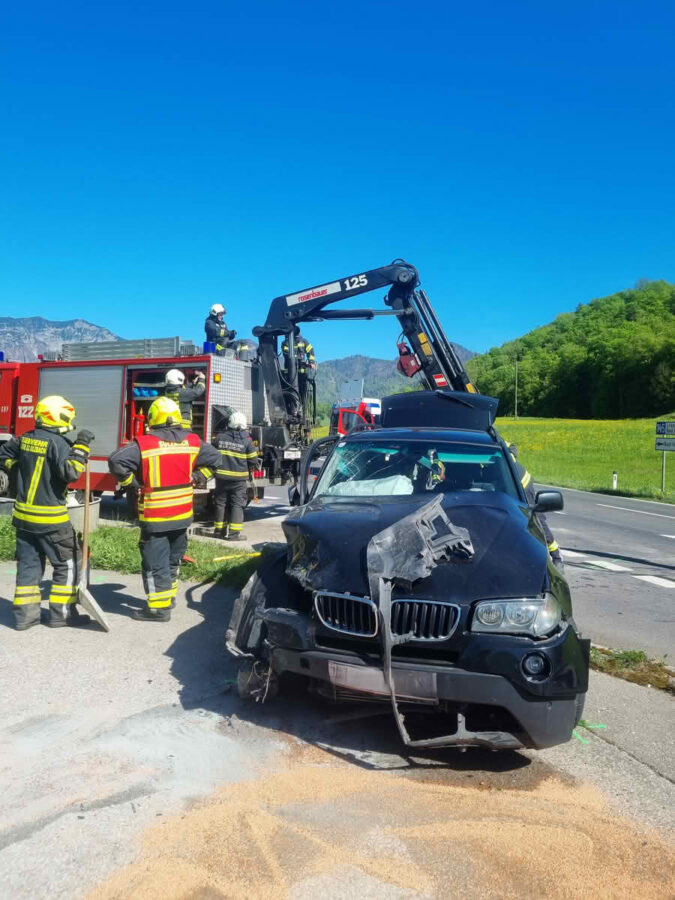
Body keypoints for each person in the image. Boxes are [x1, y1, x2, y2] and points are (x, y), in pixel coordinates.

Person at [108, 396, 221, 622]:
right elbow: (216, 460)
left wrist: (132, 483)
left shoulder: (144, 444)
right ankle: (168, 598)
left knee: (154, 563)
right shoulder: (192, 441)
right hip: (182, 516)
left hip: (156, 516)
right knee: (172, 560)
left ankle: (158, 610)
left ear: (153, 418)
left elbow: (115, 461)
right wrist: (198, 477)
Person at [0, 395, 95, 630]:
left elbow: (3, 455)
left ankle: (25, 617)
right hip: (51, 519)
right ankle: (61, 615)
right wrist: (81, 446)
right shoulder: (59, 444)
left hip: (23, 518)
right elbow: (72, 472)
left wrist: (15, 472)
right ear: (59, 417)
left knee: (29, 566)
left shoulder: (24, 439)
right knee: (68, 563)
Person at [508, 443, 563, 569]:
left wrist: (507, 458)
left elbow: (512, 447)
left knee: (535, 518)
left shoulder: (489, 435)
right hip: (497, 484)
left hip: (521, 483)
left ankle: (556, 555)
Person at [211, 410, 259, 540]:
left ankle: (218, 531)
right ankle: (233, 535)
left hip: (221, 478)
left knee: (221, 504)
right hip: (238, 480)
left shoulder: (219, 438)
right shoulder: (247, 442)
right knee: (237, 505)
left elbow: (212, 454)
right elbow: (253, 460)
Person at [281, 327, 316, 413]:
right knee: (293, 392)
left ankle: (299, 408)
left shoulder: (303, 342)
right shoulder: (286, 342)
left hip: (300, 373)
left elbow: (310, 351)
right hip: (291, 373)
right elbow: (285, 354)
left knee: (301, 392)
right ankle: (293, 408)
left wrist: (311, 362)